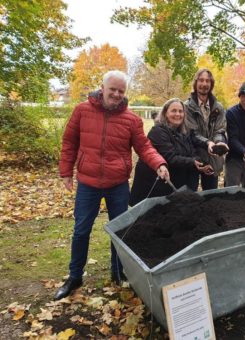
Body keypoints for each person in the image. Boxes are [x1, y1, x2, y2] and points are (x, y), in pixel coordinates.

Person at [55, 70, 170, 300]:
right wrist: (66, 172)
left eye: (121, 91)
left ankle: (119, 272)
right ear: (102, 88)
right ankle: (75, 276)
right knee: (81, 231)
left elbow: (144, 147)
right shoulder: (81, 111)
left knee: (121, 232)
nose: (116, 95)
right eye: (113, 90)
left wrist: (159, 163)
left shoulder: (131, 120)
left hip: (118, 185)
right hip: (88, 184)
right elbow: (70, 141)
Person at [129, 98, 212, 206]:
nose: (178, 114)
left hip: (171, 186)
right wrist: (193, 163)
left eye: (180, 111)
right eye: (173, 111)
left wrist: (201, 165)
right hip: (153, 187)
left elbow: (192, 152)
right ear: (165, 113)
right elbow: (170, 157)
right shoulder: (158, 131)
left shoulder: (184, 132)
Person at [184, 68, 228, 190]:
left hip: (212, 159)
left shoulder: (218, 107)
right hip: (193, 158)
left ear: (211, 84)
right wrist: (208, 143)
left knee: (211, 198)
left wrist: (219, 143)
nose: (204, 84)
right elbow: (192, 133)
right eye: (201, 80)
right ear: (196, 83)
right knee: (190, 196)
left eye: (208, 81)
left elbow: (220, 130)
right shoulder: (187, 107)